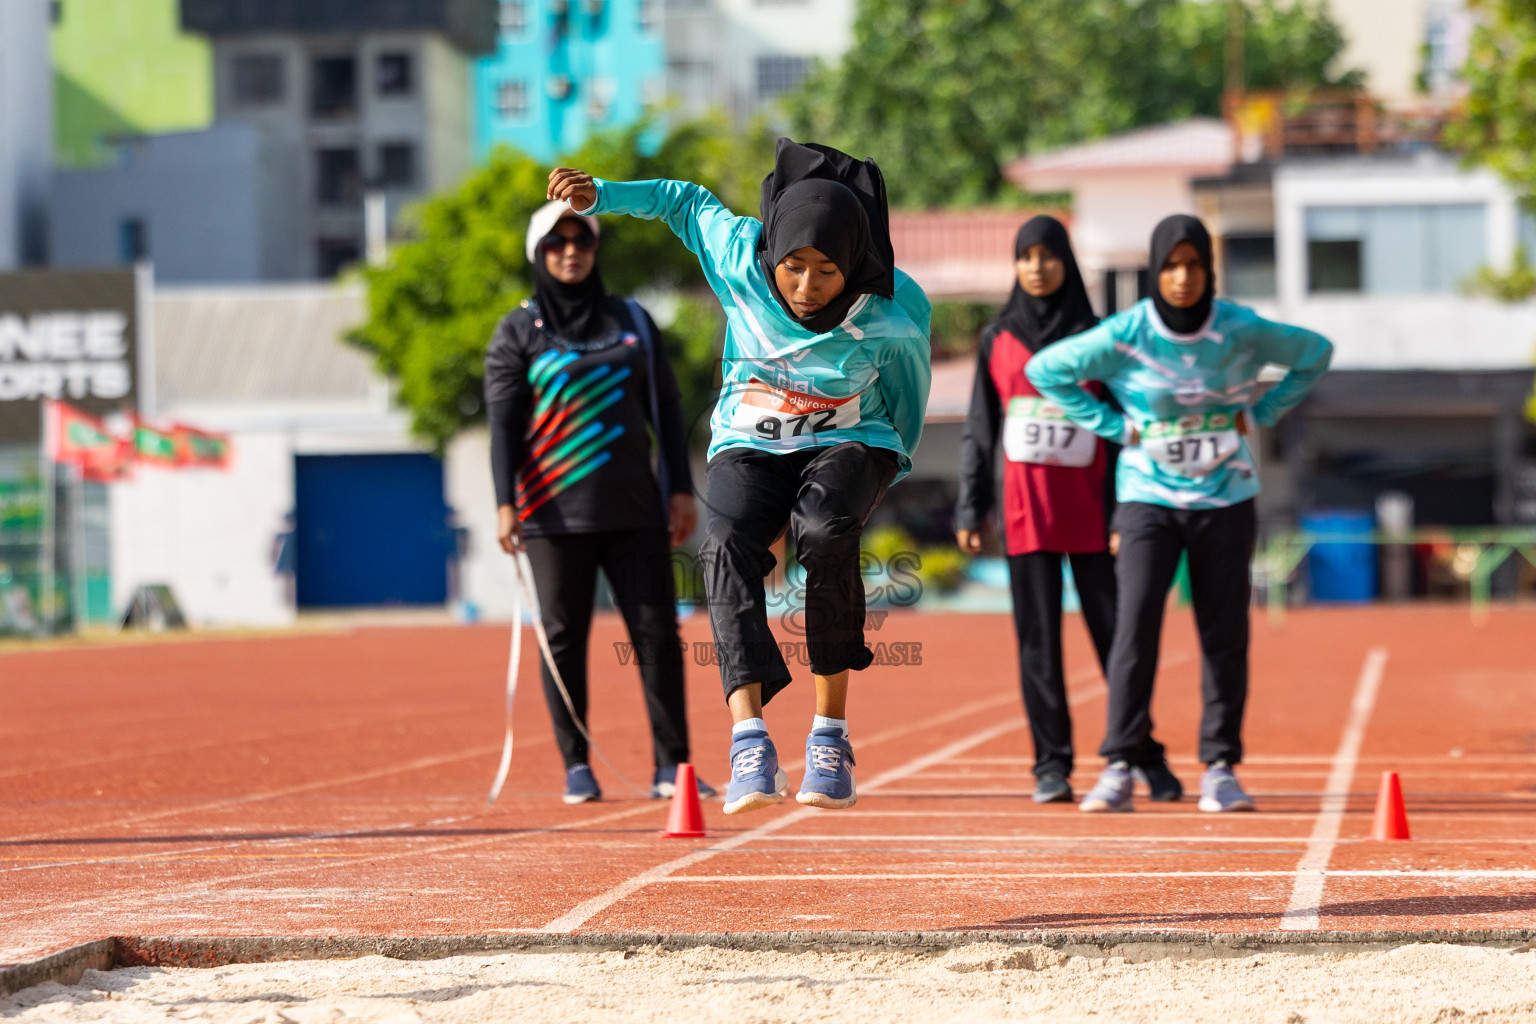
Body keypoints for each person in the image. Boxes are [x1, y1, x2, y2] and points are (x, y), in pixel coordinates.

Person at [546, 138, 931, 815]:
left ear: (855, 266)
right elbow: (682, 201)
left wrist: (875, 476)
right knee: (721, 549)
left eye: (826, 273)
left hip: (850, 439)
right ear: (770, 254)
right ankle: (749, 739)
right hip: (747, 440)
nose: (807, 288)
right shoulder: (736, 254)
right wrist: (601, 195)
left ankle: (829, 737)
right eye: (793, 268)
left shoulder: (893, 314)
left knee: (826, 531)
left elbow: (906, 401)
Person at [1026, 214, 1332, 814]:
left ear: (1209, 271)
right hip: (1147, 500)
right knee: (1134, 631)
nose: (1183, 277)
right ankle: (1119, 764)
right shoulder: (1127, 332)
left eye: (1194, 265)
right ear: (1155, 271)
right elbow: (1046, 371)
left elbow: (1314, 354)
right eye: (1171, 265)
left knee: (1224, 635)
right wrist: (1115, 427)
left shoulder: (1238, 329)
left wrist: (1263, 412)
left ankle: (1220, 767)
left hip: (1227, 497)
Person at [485, 199, 712, 805]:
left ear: (594, 248)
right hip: (552, 516)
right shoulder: (517, 330)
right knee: (563, 639)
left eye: (580, 242)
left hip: (636, 511)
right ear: (539, 253)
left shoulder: (633, 319)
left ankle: (675, 767)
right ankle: (576, 766)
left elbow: (667, 410)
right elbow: (504, 426)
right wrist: (504, 503)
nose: (570, 253)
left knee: (657, 636)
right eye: (556, 244)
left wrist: (681, 489)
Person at [955, 215, 1179, 806]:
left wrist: (1123, 512)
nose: (1036, 266)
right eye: (1025, 256)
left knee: (1117, 642)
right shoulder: (996, 338)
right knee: (1038, 647)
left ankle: (1141, 754)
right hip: (1025, 515)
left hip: (1094, 515)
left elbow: (1123, 429)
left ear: (1067, 262)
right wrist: (970, 506)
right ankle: (1050, 765)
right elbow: (981, 431)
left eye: (1048, 255)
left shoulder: (1100, 338)